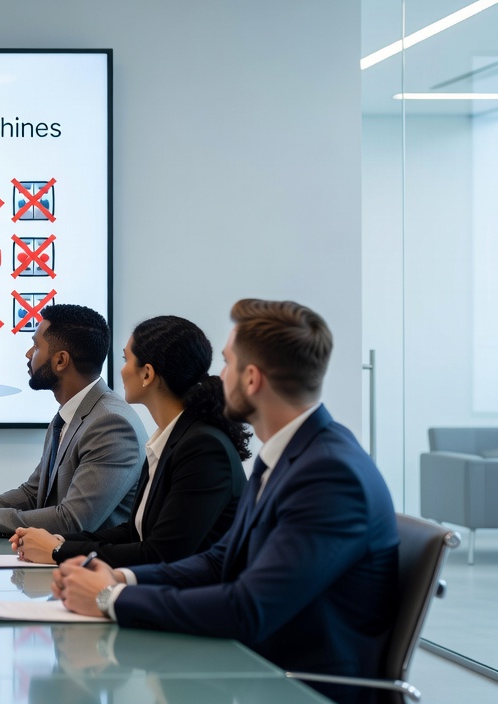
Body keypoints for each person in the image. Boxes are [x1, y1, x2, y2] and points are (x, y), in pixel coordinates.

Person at [54, 299, 399, 704]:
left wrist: (108, 599)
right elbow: (222, 560)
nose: (218, 376)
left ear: (251, 379)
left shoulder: (330, 474)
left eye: (228, 363)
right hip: (255, 671)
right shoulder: (293, 454)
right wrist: (122, 579)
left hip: (296, 687)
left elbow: (247, 607)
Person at [11, 315, 249, 566]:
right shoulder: (170, 440)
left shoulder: (202, 448)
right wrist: (58, 542)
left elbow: (160, 554)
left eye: (126, 360)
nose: (121, 370)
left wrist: (59, 551)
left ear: (147, 373)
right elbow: (135, 532)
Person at [0, 304, 145, 537]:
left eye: (35, 346)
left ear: (61, 360)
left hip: (93, 569)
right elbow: (33, 495)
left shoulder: (111, 424)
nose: (29, 354)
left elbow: (73, 520)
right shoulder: (69, 415)